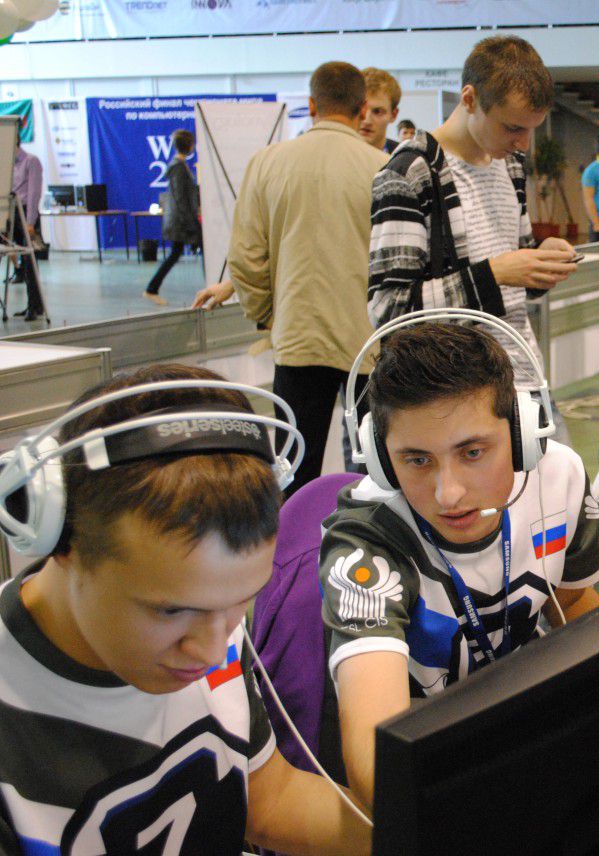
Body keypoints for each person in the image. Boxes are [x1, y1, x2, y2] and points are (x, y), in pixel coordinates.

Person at [0, 363, 370, 855]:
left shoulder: (209, 618)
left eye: (241, 603)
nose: (213, 650)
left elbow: (270, 799)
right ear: (61, 542)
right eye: (171, 613)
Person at [321, 320, 599, 809]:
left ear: (522, 434)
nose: (448, 494)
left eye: (473, 452)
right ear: (381, 461)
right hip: (435, 770)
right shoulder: (366, 542)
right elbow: (378, 769)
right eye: (417, 460)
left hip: (520, 726)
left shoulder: (558, 477)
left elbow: (573, 603)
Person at [219, 61, 389, 496]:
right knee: (376, 471)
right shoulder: (385, 167)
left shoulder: (266, 163)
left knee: (294, 470)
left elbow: (245, 257)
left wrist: (268, 314)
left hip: (297, 336)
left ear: (312, 105)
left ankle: (294, 540)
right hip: (367, 344)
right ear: (361, 108)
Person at [367, 35, 577, 384]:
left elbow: (514, 281)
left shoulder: (510, 165)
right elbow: (389, 311)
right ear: (469, 99)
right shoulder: (411, 173)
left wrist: (540, 260)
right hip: (452, 392)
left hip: (521, 379)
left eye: (531, 130)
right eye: (512, 127)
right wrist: (494, 274)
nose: (523, 143)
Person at [144, 128, 200, 306]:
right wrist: (192, 223)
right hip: (180, 221)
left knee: (175, 254)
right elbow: (181, 198)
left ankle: (152, 288)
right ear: (189, 145)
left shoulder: (179, 166)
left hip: (181, 219)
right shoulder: (178, 168)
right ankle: (151, 289)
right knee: (175, 253)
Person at [11, 129, 44, 320]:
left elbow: (33, 193)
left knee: (30, 262)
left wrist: (30, 222)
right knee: (23, 263)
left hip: (26, 214)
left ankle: (35, 306)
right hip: (12, 214)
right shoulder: (7, 163)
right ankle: (34, 305)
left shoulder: (31, 161)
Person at [359, 67, 401, 154]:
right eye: (361, 109)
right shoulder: (333, 153)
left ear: (393, 115)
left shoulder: (405, 158)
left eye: (377, 111)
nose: (367, 121)